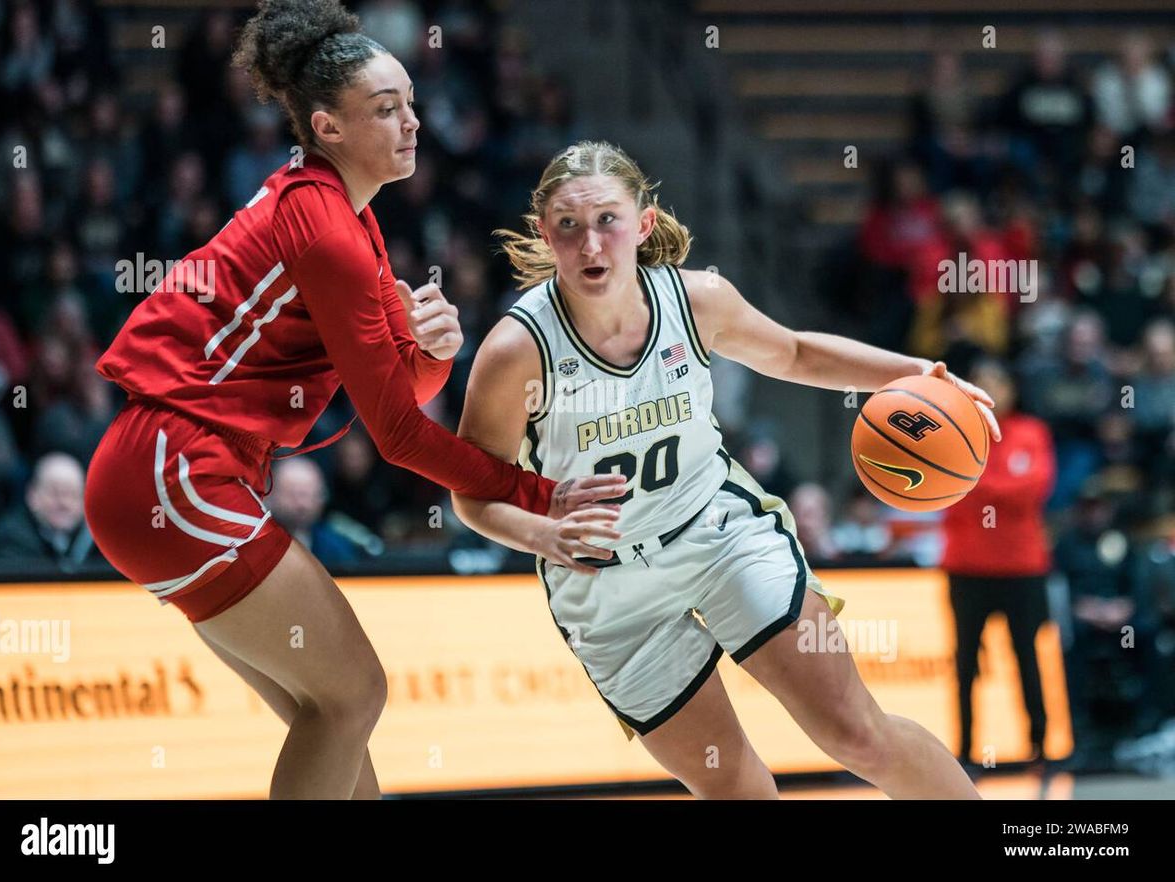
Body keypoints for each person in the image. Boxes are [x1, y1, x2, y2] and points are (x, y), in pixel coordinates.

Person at [83, 0, 621, 800]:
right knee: (355, 695)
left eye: (409, 101)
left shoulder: (345, 217)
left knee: (332, 711)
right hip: (172, 472)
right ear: (328, 127)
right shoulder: (328, 231)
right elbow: (399, 436)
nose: (412, 122)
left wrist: (432, 354)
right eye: (385, 109)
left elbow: (406, 392)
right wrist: (540, 496)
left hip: (166, 476)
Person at [452, 140, 1001, 798]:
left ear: (643, 224)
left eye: (607, 221)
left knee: (856, 733)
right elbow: (471, 495)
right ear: (546, 233)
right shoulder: (517, 349)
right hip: (604, 584)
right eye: (569, 226)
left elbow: (797, 354)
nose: (591, 244)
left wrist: (919, 373)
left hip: (717, 532)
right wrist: (541, 535)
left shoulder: (698, 301)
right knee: (735, 786)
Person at [940, 358, 1056, 770]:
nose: (990, 389)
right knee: (965, 662)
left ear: (1012, 387)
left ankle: (1040, 746)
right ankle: (966, 750)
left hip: (1022, 567)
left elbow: (1036, 488)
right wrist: (999, 488)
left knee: (1027, 655)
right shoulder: (954, 433)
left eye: (997, 381)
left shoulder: (1031, 431)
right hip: (967, 566)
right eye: (981, 382)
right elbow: (947, 489)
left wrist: (978, 483)